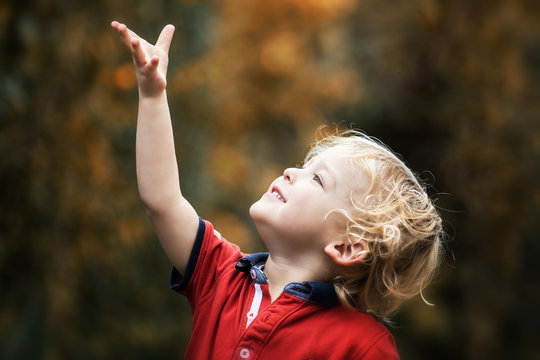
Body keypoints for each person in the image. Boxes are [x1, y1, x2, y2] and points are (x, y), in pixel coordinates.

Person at [111, 21, 443, 359]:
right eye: (303, 166)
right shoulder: (220, 275)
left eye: (318, 179)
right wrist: (152, 95)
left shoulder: (363, 346)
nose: (291, 172)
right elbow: (162, 200)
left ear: (346, 246)